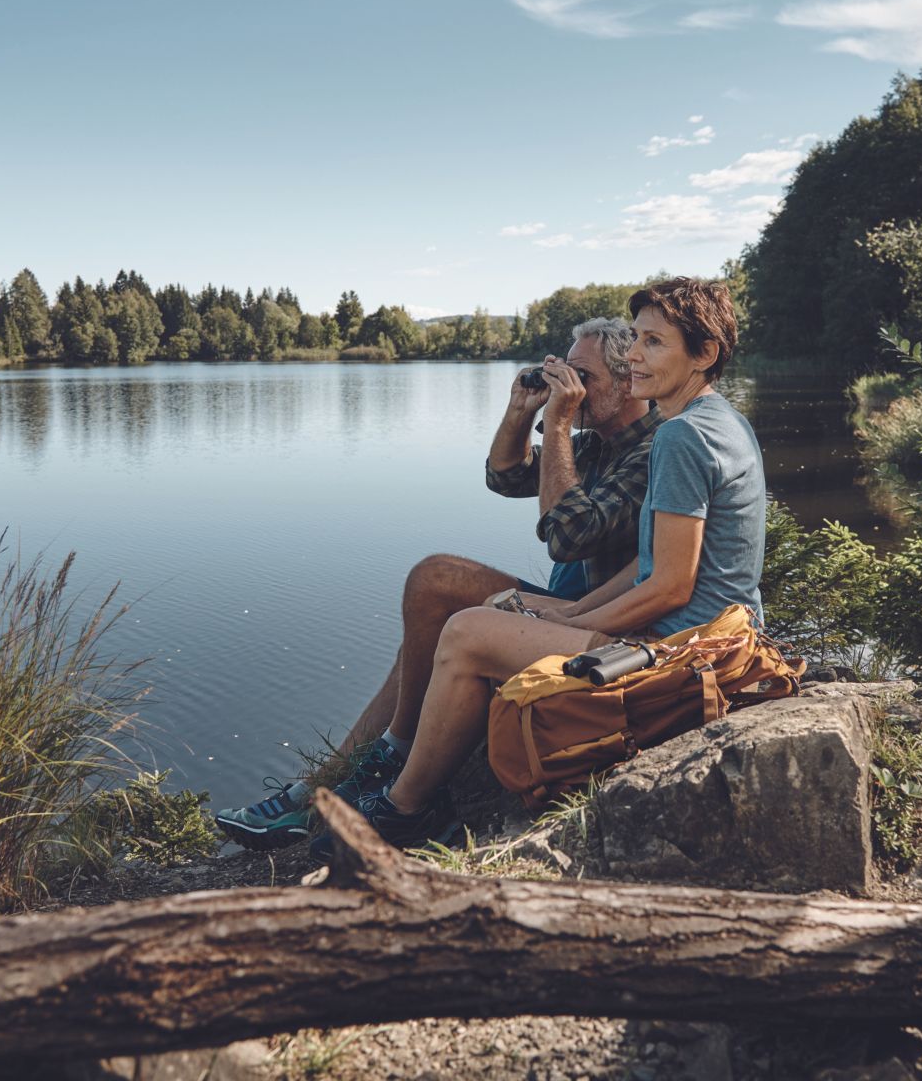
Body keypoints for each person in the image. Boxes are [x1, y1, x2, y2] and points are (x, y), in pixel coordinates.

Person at [307, 276, 765, 861]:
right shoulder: (717, 421)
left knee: (469, 633)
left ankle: (405, 809)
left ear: (704, 355)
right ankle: (402, 781)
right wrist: (570, 610)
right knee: (478, 610)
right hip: (707, 637)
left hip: (683, 651)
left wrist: (573, 619)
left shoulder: (678, 438)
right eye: (636, 343)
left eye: (653, 344)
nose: (634, 359)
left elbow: (672, 583)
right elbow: (658, 564)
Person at [216, 317, 661, 848]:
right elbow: (506, 476)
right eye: (566, 372)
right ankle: (337, 778)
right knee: (432, 599)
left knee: (441, 595)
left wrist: (561, 425)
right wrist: (521, 414)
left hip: (599, 620)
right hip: (572, 604)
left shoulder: (652, 449)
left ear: (626, 380)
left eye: (581, 374)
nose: (571, 386)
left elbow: (566, 537)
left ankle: (378, 767)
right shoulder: (598, 445)